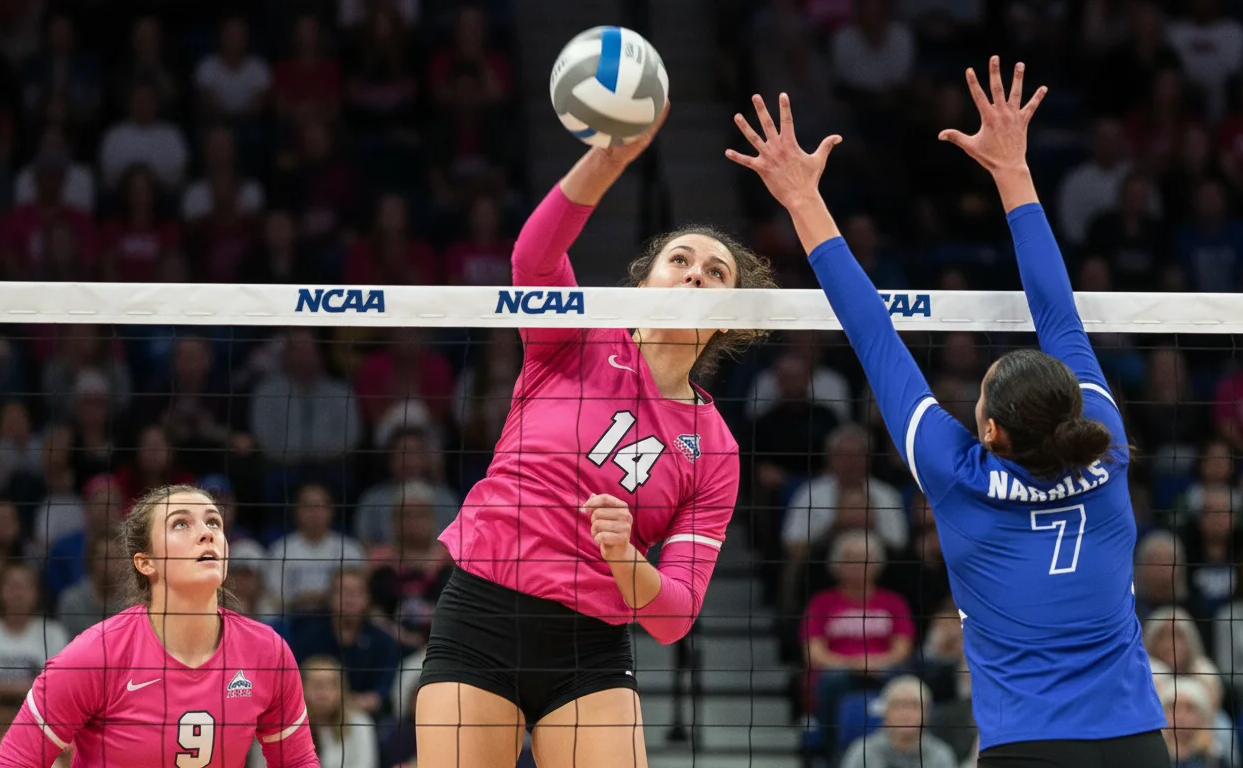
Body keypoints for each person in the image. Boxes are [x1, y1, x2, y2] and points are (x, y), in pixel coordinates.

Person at [727, 57, 1168, 768]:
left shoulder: (955, 473)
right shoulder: (1106, 441)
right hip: (1135, 743)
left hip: (1025, 748)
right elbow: (1059, 314)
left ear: (989, 431)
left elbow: (872, 334)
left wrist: (801, 197)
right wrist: (1013, 170)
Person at [415, 103, 778, 768]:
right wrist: (609, 158)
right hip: (483, 614)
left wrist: (622, 556)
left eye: (716, 272)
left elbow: (673, 619)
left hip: (590, 646)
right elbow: (534, 255)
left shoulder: (715, 449)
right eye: (680, 259)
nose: (696, 273)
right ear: (645, 279)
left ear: (727, 317)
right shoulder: (575, 338)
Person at [0, 484, 320, 767]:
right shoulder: (97, 654)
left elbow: (298, 761)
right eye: (181, 524)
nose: (207, 533)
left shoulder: (267, 653)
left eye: (214, 522)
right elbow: (14, 760)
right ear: (146, 562)